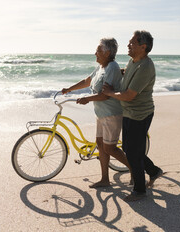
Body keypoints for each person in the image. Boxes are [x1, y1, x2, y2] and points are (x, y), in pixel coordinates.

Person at [62, 38, 132, 188]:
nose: (95, 53)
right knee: (100, 145)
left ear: (107, 53)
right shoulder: (101, 67)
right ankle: (105, 179)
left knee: (110, 148)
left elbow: (106, 94)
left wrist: (87, 98)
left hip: (111, 114)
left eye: (98, 50)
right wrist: (69, 89)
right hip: (101, 114)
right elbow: (87, 81)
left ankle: (134, 171)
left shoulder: (112, 67)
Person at [103, 30, 163, 202]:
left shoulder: (145, 67)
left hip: (140, 114)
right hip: (129, 112)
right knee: (130, 150)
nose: (128, 45)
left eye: (132, 43)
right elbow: (129, 75)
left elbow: (129, 95)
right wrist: (121, 72)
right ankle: (153, 171)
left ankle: (140, 190)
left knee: (132, 152)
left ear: (143, 47)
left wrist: (110, 92)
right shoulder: (133, 61)